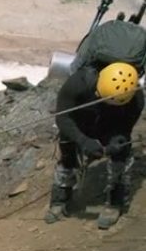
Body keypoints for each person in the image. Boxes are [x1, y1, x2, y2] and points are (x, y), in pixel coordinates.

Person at [45, 62, 144, 229]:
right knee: (68, 150)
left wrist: (116, 142)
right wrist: (83, 141)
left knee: (120, 155)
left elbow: (126, 126)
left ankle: (115, 203)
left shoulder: (136, 97)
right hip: (81, 119)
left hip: (112, 123)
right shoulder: (77, 83)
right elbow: (62, 118)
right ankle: (60, 199)